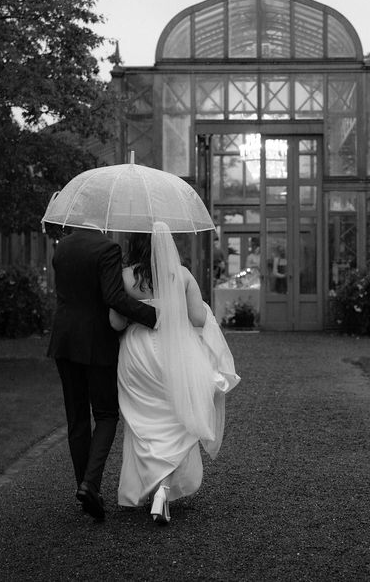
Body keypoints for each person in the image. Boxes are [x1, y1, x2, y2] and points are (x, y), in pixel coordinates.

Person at [109, 222, 239, 525]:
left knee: (145, 419)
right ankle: (163, 490)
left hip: (138, 354)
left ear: (135, 243)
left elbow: (116, 323)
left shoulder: (126, 277)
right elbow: (196, 317)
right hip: (175, 353)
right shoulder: (181, 275)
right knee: (176, 415)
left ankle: (154, 485)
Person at [47, 225, 158, 521]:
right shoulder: (107, 249)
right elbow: (113, 297)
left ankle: (85, 489)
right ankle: (90, 484)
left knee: (77, 417)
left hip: (64, 340)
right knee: (107, 414)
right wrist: (155, 316)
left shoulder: (62, 246)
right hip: (96, 343)